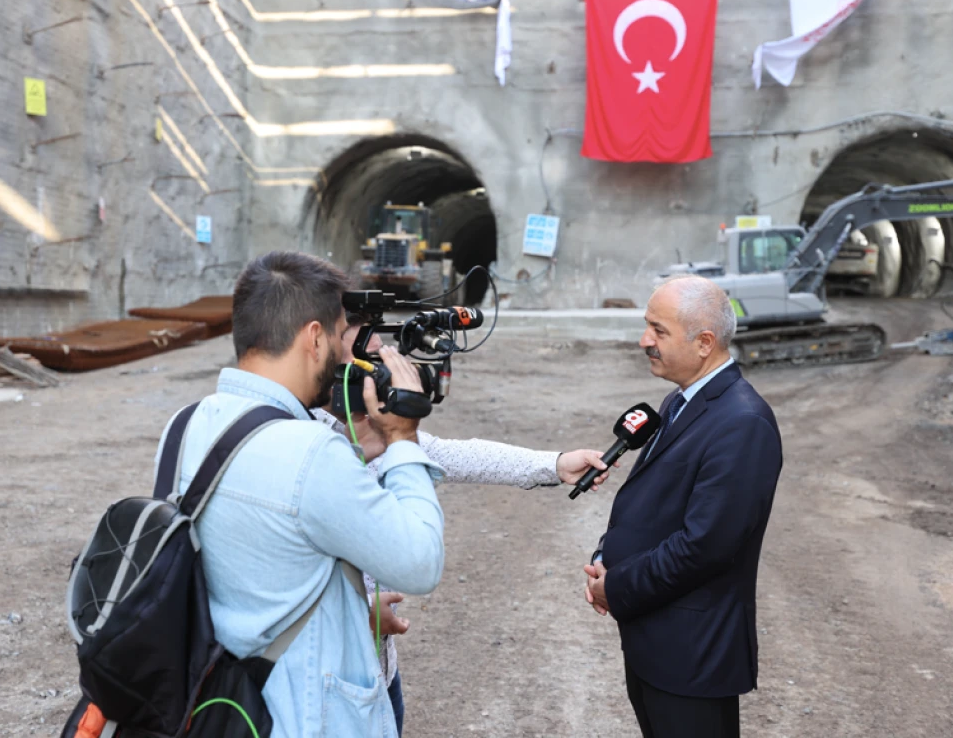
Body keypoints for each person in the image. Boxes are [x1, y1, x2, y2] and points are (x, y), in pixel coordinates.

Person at [154, 251, 444, 737]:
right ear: (313, 337)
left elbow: (247, 559)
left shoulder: (183, 426)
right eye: (338, 336)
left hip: (214, 702)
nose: (346, 356)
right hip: (299, 715)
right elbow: (420, 562)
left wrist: (350, 609)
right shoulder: (313, 452)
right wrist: (402, 441)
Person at [313, 314, 614, 735]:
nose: (380, 360)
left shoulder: (380, 434)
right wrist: (355, 615)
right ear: (321, 351)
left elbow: (461, 455)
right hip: (325, 686)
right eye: (364, 349)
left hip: (381, 673)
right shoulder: (303, 450)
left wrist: (554, 463)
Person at [583, 275, 783, 738]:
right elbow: (651, 505)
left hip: (692, 657)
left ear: (704, 343)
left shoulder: (743, 422)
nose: (644, 340)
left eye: (659, 330)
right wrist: (603, 559)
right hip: (657, 643)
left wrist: (617, 587)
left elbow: (706, 546)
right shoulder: (680, 400)